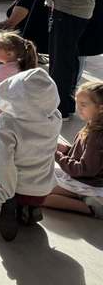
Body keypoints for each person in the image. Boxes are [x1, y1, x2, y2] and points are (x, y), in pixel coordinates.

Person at [0, 67, 62, 241]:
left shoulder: (8, 122)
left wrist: (5, 190)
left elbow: (2, 160)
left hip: (17, 188)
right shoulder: (55, 119)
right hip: (41, 188)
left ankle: (4, 207)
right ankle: (30, 210)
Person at [44, 81, 103, 218]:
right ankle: (85, 198)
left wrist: (56, 155)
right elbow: (86, 154)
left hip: (88, 183)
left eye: (83, 105)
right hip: (83, 178)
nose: (78, 108)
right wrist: (65, 149)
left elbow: (84, 169)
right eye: (77, 103)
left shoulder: (97, 136)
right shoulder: (93, 124)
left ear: (100, 108)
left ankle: (92, 207)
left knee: (40, 195)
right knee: (39, 180)